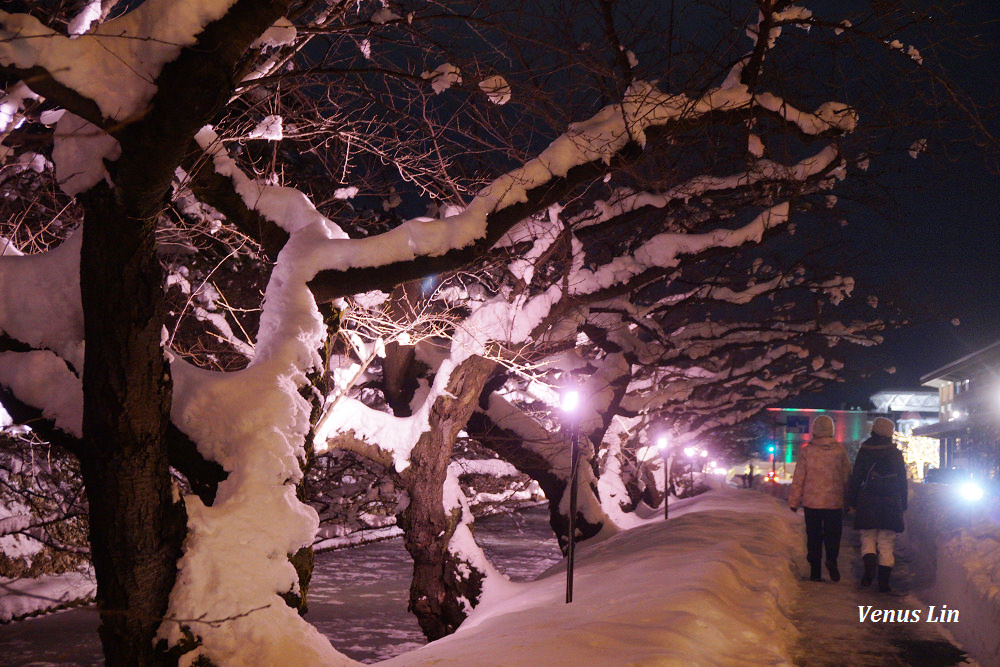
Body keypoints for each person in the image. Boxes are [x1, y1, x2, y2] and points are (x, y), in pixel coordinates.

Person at [847, 417, 907, 593]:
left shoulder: (865, 451)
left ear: (874, 430)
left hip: (867, 500)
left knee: (868, 537)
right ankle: (884, 582)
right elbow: (902, 482)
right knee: (886, 542)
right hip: (891, 502)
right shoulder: (895, 454)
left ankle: (869, 572)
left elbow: (856, 478)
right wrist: (902, 504)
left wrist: (852, 501)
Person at [788, 415, 851, 582]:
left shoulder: (807, 451)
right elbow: (846, 477)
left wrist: (794, 501)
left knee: (813, 536)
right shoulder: (839, 451)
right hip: (834, 501)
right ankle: (832, 560)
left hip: (812, 502)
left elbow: (799, 477)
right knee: (833, 535)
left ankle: (815, 570)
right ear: (831, 430)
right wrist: (849, 501)